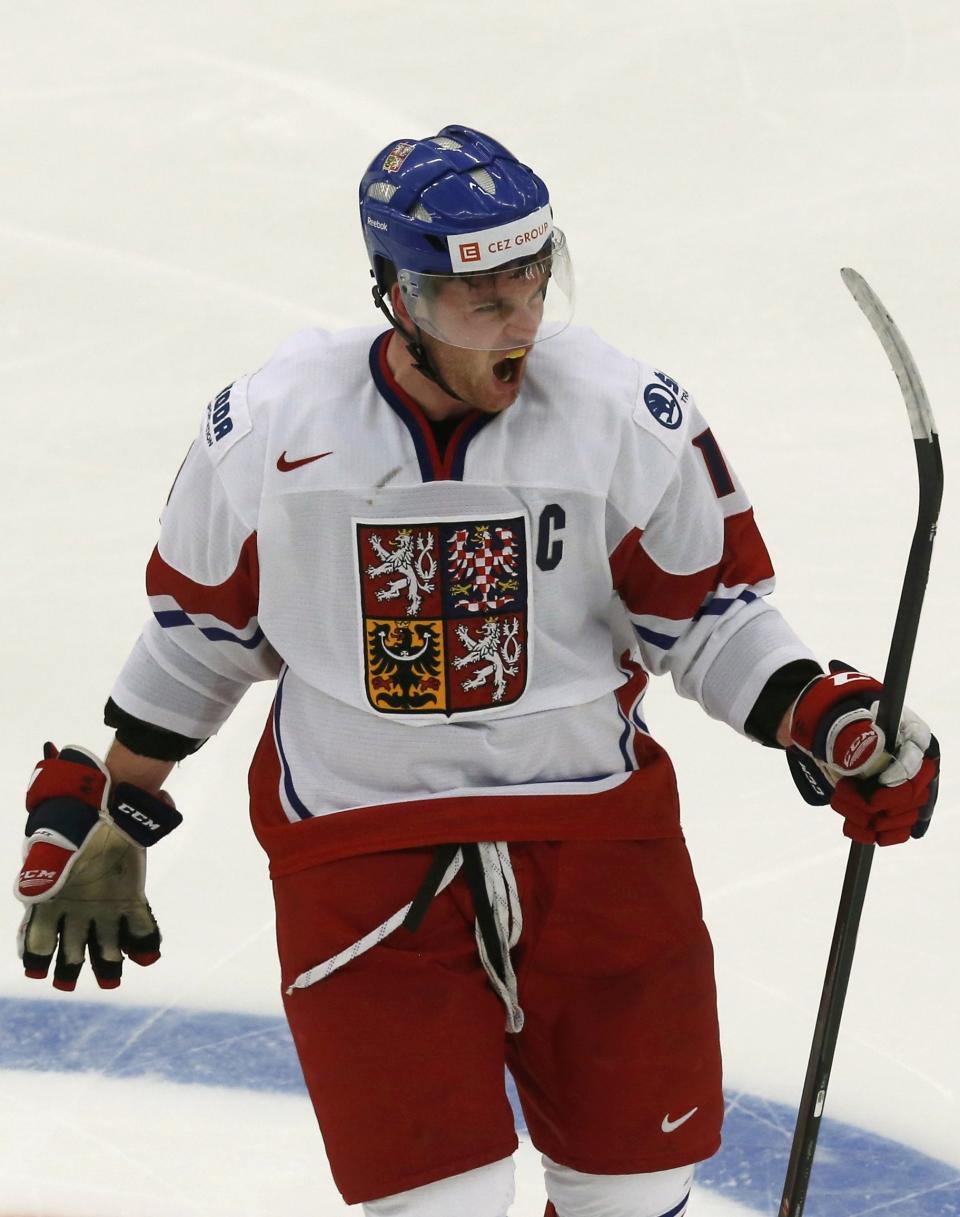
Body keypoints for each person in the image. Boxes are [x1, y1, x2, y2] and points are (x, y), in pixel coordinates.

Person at [15, 126, 940, 1217]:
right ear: (398, 296)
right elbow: (200, 633)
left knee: (634, 1192)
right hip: (361, 850)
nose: (522, 324)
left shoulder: (621, 415)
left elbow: (708, 616)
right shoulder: (272, 426)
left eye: (533, 285)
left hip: (595, 840)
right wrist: (117, 809)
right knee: (435, 1201)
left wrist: (822, 715)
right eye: (481, 302)